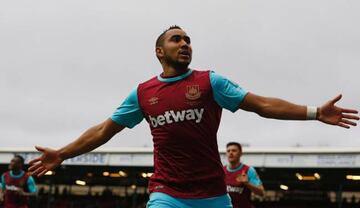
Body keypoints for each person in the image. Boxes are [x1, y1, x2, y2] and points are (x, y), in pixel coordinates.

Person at [28, 25, 359, 208]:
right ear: (160, 51)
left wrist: (315, 112)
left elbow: (261, 104)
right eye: (176, 39)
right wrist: (63, 153)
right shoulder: (143, 93)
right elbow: (103, 131)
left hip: (213, 196)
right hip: (167, 193)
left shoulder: (209, 82)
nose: (185, 43)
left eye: (188, 40)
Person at [225, 142, 264, 208]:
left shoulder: (249, 170)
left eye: (234, 150)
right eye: (228, 151)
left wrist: (247, 183)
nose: (230, 153)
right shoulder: (221, 171)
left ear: (240, 153)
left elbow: (261, 192)